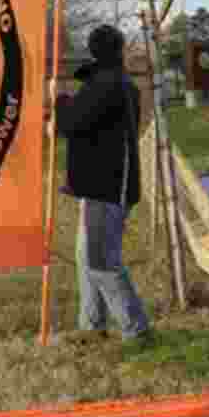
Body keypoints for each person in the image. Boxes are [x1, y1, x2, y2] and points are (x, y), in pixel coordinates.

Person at [56, 24, 153, 347]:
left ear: (93, 49)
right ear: (120, 49)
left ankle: (135, 330)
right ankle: (91, 325)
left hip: (106, 189)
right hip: (101, 186)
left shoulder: (107, 86)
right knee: (86, 258)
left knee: (100, 261)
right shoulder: (116, 83)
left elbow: (71, 124)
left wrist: (58, 102)